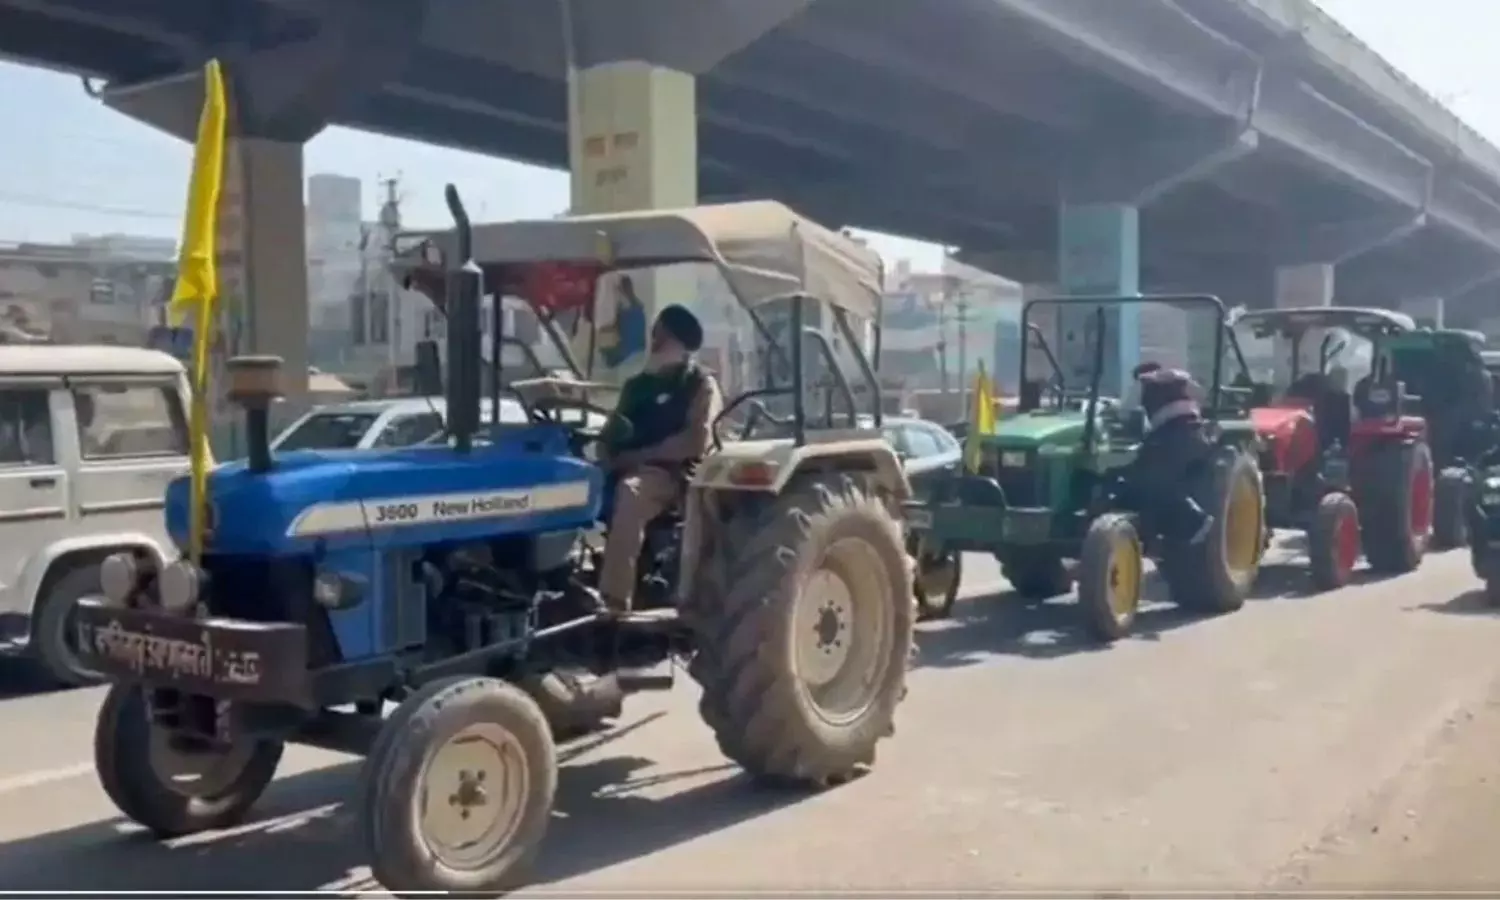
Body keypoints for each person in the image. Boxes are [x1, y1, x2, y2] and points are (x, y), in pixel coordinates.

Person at [595, 304, 723, 614]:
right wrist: (603, 454)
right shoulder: (636, 386)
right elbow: (610, 434)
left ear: (679, 342)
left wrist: (637, 457)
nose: (654, 342)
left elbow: (694, 442)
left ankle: (614, 600)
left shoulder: (699, 384)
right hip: (626, 466)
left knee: (630, 493)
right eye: (654, 334)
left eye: (660, 335)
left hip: (668, 474)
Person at [1132, 366, 1215, 545]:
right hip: (1192, 433)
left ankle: (1196, 519)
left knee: (1153, 480)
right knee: (1161, 479)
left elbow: (1146, 418)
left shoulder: (1153, 387)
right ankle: (1151, 533)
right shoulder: (1178, 384)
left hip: (1176, 435)